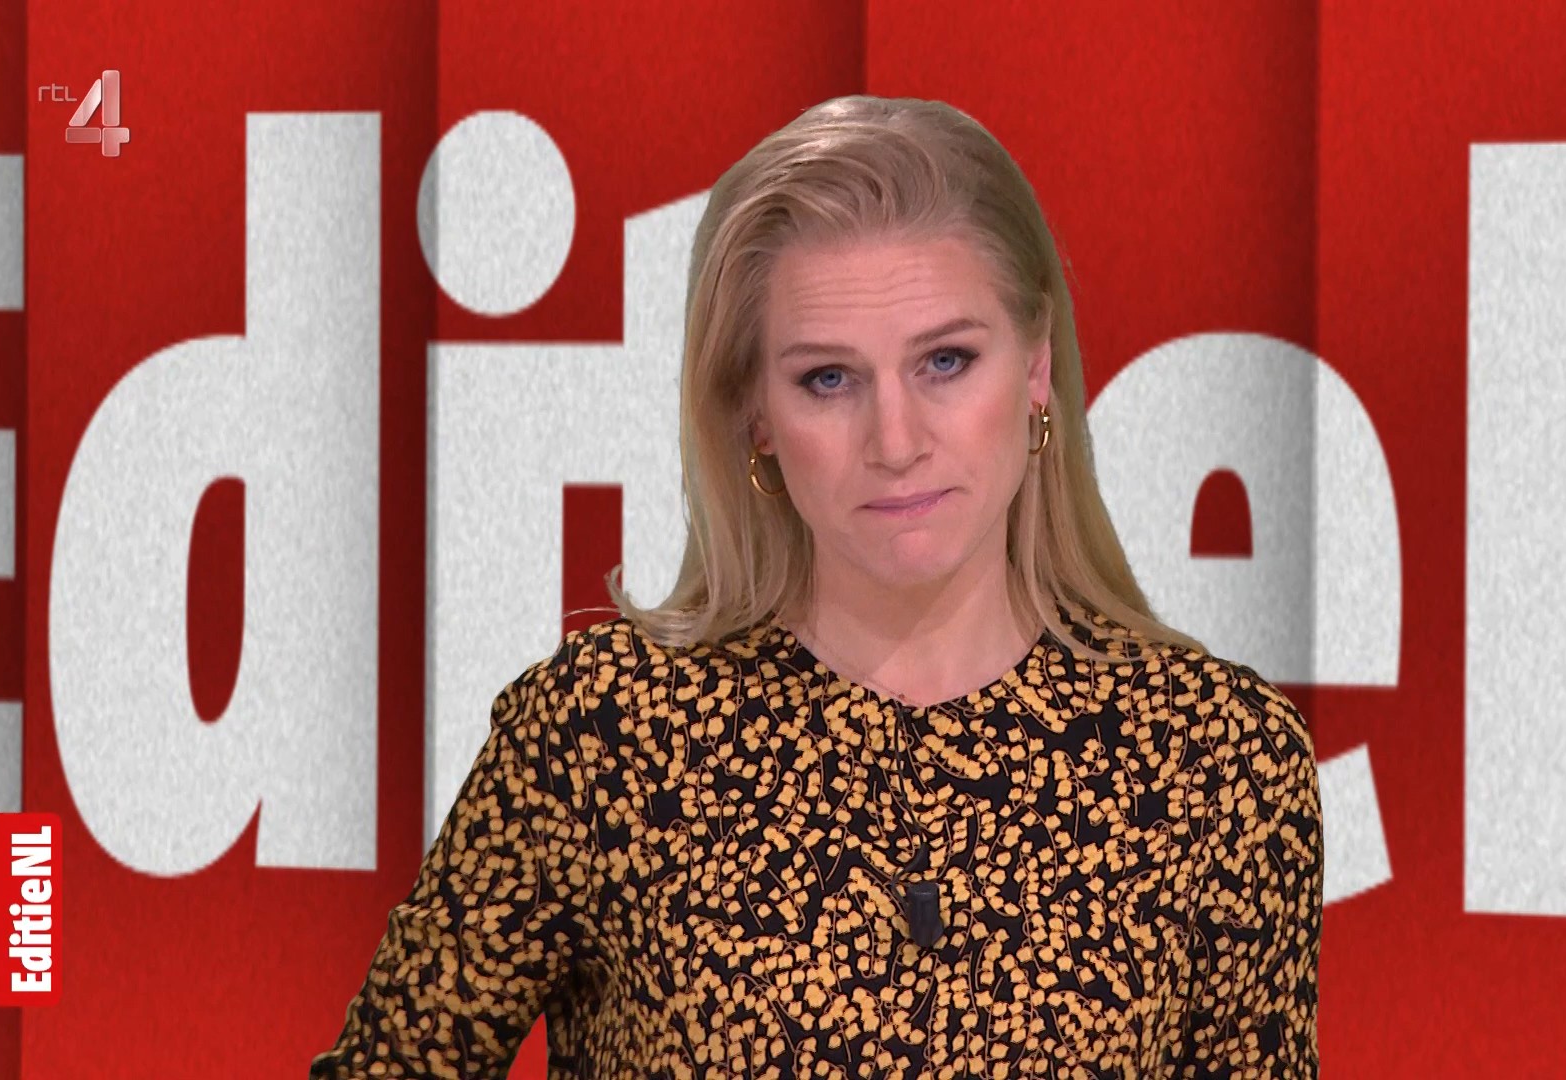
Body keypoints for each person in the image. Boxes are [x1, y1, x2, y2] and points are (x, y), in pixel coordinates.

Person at [309, 93, 1321, 1079]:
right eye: (828, 380)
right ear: (755, 414)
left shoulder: (1219, 758)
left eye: (946, 361)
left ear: (1036, 367)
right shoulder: (606, 734)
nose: (896, 441)